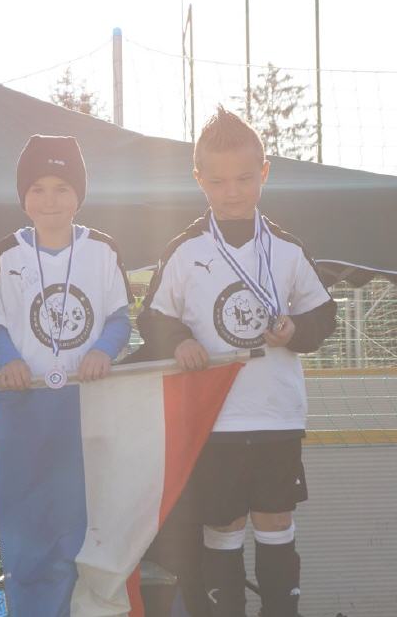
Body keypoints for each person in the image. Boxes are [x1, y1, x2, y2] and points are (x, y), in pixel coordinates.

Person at [137, 106, 337, 617]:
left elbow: (323, 315)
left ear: (264, 172)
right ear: (198, 179)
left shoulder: (287, 249)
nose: (232, 191)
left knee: (275, 521)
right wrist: (179, 340)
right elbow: (152, 317)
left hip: (276, 415)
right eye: (219, 180)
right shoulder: (185, 250)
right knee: (222, 525)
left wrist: (295, 331)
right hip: (214, 420)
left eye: (245, 178)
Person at [0, 135, 132, 616]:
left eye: (62, 187)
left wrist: (103, 350)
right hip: (26, 409)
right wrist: (9, 360)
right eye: (38, 188)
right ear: (23, 196)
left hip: (85, 408)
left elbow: (120, 319)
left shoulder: (102, 250)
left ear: (79, 194)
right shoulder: (7, 253)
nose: (50, 200)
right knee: (27, 524)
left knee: (79, 523)